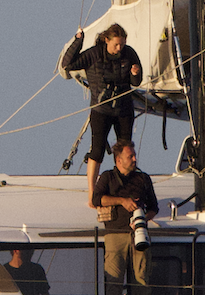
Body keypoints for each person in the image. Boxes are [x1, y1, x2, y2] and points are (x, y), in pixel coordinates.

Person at [59, 23, 143, 207]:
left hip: (123, 110)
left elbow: (136, 82)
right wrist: (78, 41)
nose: (119, 48)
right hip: (101, 110)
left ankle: (125, 189)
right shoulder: (94, 54)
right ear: (107, 40)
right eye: (116, 45)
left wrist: (135, 73)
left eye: (122, 44)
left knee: (125, 151)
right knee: (97, 151)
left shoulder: (129, 53)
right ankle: (92, 194)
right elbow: (67, 64)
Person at [91, 139, 158, 295]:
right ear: (119, 160)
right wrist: (122, 201)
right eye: (131, 156)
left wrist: (142, 219)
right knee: (114, 280)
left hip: (139, 235)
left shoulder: (143, 178)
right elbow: (96, 199)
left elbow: (154, 208)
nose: (135, 159)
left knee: (141, 279)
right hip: (115, 235)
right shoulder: (107, 177)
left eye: (134, 156)